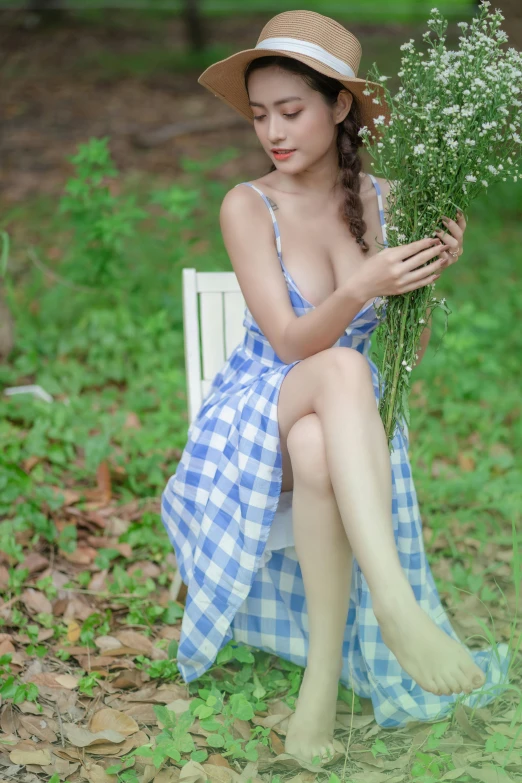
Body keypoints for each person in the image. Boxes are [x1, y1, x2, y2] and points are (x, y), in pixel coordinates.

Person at [161, 9, 511, 767]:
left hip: (334, 428)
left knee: (324, 438)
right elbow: (290, 344)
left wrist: (423, 276)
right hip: (257, 413)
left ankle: (318, 689)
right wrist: (361, 286)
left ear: (339, 105)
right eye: (260, 115)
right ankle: (393, 601)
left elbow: (403, 357)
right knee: (342, 371)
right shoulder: (248, 205)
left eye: (291, 111)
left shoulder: (387, 202)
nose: (273, 133)